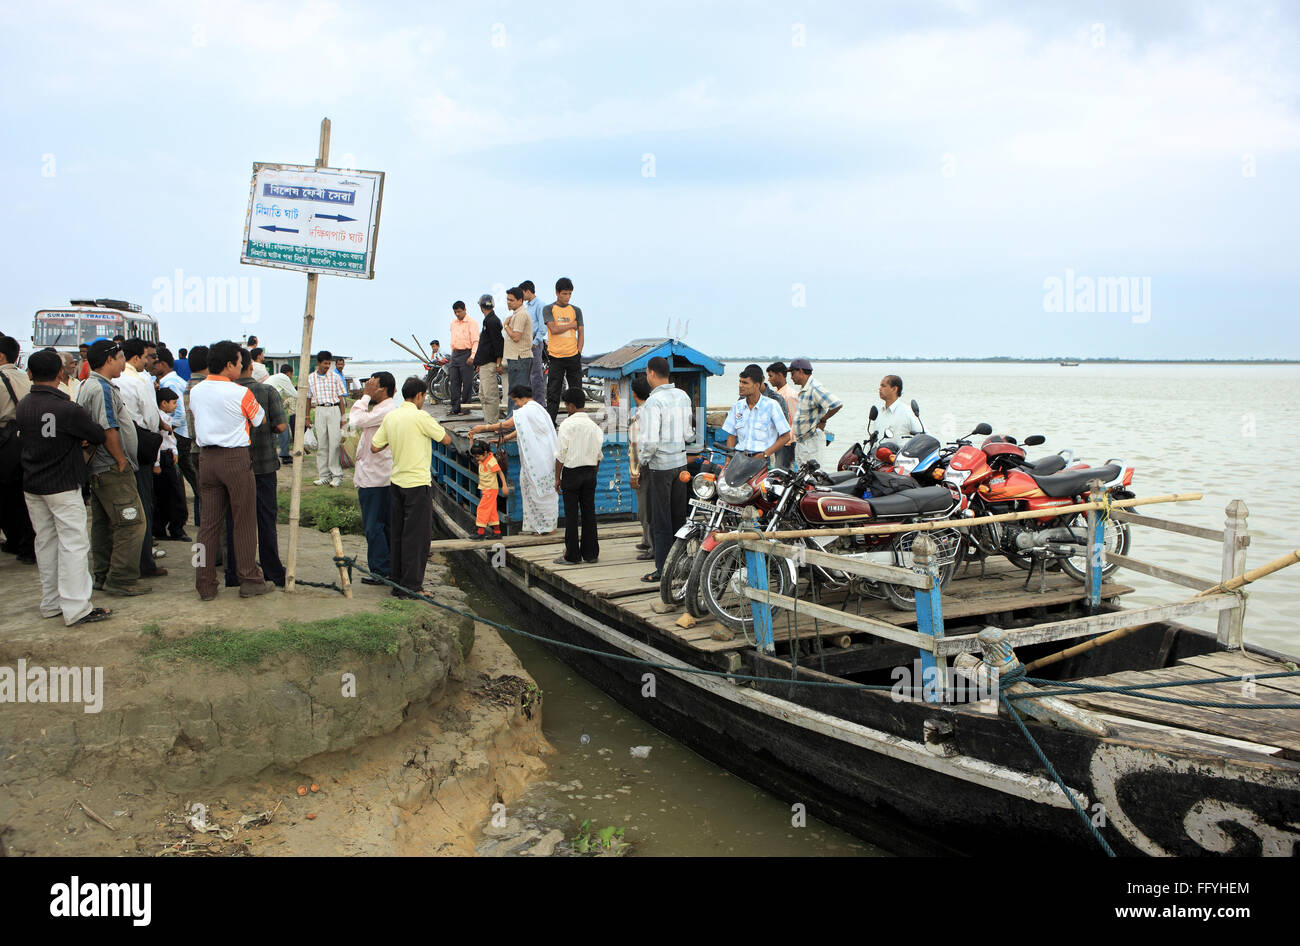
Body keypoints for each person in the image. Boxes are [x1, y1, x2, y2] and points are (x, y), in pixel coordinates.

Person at [18, 349, 111, 625]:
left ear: (30, 374)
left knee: (45, 543)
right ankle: (77, 607)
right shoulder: (67, 408)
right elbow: (96, 434)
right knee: (73, 545)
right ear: (61, 374)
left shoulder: (24, 404)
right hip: (63, 483)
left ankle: (51, 602)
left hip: (33, 483)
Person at [189, 340, 272, 600]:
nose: (241, 366)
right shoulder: (240, 393)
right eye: (239, 362)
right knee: (244, 520)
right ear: (229, 365)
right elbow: (259, 419)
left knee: (207, 525)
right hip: (235, 458)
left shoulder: (196, 390)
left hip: (206, 459)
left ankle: (204, 582)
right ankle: (249, 578)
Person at [77, 339, 150, 595]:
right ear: (110, 359)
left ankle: (102, 575)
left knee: (104, 524)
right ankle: (120, 579)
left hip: (99, 469)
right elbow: (109, 427)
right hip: (111, 468)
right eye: (120, 358)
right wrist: (121, 460)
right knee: (131, 522)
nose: (123, 362)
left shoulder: (87, 385)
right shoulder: (102, 388)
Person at [370, 377, 451, 598]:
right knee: (416, 538)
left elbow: (375, 446)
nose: (424, 400)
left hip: (396, 483)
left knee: (398, 534)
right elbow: (445, 440)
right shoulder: (421, 416)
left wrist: (394, 440)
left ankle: (398, 583)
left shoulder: (391, 416)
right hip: (417, 484)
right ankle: (412, 587)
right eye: (424, 396)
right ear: (418, 396)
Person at [223, 347, 286, 588]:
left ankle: (234, 572)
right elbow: (281, 426)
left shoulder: (226, 392)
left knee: (235, 520)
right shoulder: (266, 391)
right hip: (263, 465)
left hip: (234, 466)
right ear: (250, 366)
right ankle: (272, 570)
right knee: (266, 519)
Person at [468, 385, 557, 535]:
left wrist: (482, 428)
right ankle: (539, 527)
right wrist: (505, 439)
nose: (516, 404)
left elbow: (509, 424)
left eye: (515, 400)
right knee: (535, 491)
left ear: (521, 397)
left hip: (538, 458)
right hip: (543, 456)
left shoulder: (528, 409)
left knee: (539, 492)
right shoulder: (538, 408)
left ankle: (547, 528)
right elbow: (522, 428)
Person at [636, 356, 694, 582]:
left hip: (660, 467)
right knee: (679, 518)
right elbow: (689, 434)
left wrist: (642, 462)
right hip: (680, 465)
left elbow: (650, 442)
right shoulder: (683, 396)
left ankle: (663, 570)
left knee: (661, 521)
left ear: (651, 373)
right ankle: (680, 565)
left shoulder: (653, 402)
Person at [114, 338, 167, 580]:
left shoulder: (106, 381)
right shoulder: (139, 381)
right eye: (149, 357)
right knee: (143, 505)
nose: (151, 362)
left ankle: (121, 563)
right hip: (139, 447)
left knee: (119, 509)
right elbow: (151, 420)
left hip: (113, 449)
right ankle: (144, 562)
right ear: (135, 358)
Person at [349, 371, 398, 585]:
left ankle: (380, 570)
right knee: (383, 524)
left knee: (374, 525)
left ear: (383, 389)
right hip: (378, 475)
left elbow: (355, 420)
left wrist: (365, 396)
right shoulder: (382, 409)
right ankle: (387, 567)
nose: (368, 388)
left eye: (373, 385)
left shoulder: (386, 409)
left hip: (376, 477)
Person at [553, 387, 603, 565]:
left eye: (566, 405)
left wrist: (557, 478)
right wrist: (593, 474)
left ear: (572, 406)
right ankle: (591, 554)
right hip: (590, 472)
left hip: (572, 472)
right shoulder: (594, 427)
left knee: (572, 514)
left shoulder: (567, 424)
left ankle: (572, 555)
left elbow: (561, 455)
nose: (566, 408)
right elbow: (598, 456)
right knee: (589, 512)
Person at [0, 334, 36, 563]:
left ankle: (14, 541)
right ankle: (27, 546)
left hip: (4, 442)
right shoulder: (25, 378)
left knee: (5, 497)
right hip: (26, 440)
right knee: (24, 498)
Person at [154, 347, 191, 537]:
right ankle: (170, 527)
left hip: (174, 446)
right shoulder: (174, 381)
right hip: (164, 456)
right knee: (170, 491)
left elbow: (180, 416)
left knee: (173, 490)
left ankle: (173, 526)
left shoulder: (169, 384)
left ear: (162, 364)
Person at [722, 363, 792, 462]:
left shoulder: (772, 404)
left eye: (745, 383)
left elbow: (785, 436)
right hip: (739, 458)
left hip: (764, 459)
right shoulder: (737, 406)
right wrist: (728, 462)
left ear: (757, 385)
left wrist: (765, 454)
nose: (740, 386)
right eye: (740, 382)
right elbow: (732, 436)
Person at [789, 357, 843, 468]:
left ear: (800, 371)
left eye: (793, 373)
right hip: (802, 441)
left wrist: (824, 419)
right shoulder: (805, 390)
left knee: (813, 477)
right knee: (801, 479)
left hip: (811, 441)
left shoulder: (815, 388)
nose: (791, 377)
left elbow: (837, 404)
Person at [543, 277, 584, 423]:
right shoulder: (549, 309)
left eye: (569, 294)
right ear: (557, 293)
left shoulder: (576, 310)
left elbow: (581, 332)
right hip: (556, 357)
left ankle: (575, 421)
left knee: (576, 391)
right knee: (553, 392)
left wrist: (579, 351)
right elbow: (553, 329)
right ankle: (551, 423)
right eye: (564, 294)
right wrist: (571, 325)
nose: (567, 297)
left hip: (573, 356)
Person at [307, 349, 347, 487]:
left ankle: (337, 475)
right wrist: (307, 416)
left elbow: (341, 398)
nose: (327, 366)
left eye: (329, 363)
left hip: (334, 409)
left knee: (335, 443)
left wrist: (343, 417)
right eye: (325, 363)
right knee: (322, 444)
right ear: (318, 363)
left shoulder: (335, 377)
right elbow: (308, 398)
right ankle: (324, 475)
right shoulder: (310, 378)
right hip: (319, 409)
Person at [626, 376, 654, 560]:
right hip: (649, 464)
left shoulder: (639, 416)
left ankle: (652, 545)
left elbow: (636, 448)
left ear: (634, 394)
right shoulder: (647, 411)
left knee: (646, 509)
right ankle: (646, 539)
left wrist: (635, 473)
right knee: (645, 506)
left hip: (642, 466)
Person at [182, 344, 209, 526]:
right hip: (205, 448)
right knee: (210, 499)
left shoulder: (188, 386)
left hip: (194, 447)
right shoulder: (204, 387)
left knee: (202, 494)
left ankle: (201, 529)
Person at [501, 287, 533, 420]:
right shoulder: (516, 314)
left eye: (512, 300)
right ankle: (513, 421)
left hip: (520, 358)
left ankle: (512, 422)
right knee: (515, 392)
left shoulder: (521, 314)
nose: (509, 302)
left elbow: (516, 337)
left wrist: (506, 326)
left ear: (520, 300)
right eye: (507, 300)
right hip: (515, 358)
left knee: (517, 394)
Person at [473, 293, 504, 425]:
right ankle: (489, 421)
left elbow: (498, 343)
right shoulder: (489, 320)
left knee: (490, 395)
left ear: (481, 306)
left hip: (489, 363)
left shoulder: (492, 321)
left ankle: (492, 422)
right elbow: (486, 345)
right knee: (483, 394)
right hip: (485, 363)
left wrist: (498, 363)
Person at [469, 441, 507, 540]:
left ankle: (480, 532)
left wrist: (504, 486)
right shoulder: (483, 459)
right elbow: (473, 451)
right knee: (492, 512)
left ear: (485, 453)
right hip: (486, 489)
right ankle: (497, 532)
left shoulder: (491, 461)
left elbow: (500, 473)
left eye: (478, 456)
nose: (477, 459)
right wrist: (471, 440)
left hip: (490, 490)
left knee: (482, 509)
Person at [447, 301, 479, 415]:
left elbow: (476, 341)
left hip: (467, 353)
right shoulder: (453, 323)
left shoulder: (472, 322)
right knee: (454, 381)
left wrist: (473, 356)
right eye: (455, 312)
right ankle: (455, 407)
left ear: (465, 310)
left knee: (467, 382)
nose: (457, 314)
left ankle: (465, 408)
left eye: (459, 311)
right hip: (455, 354)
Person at [519, 280, 547, 405]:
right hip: (526, 342)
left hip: (534, 342)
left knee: (536, 375)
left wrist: (535, 342)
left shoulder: (540, 305)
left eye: (522, 293)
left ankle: (540, 404)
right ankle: (531, 403)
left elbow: (542, 328)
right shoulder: (528, 306)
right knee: (528, 376)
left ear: (527, 291)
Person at [266, 364, 298, 461]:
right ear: (289, 373)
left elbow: (285, 393)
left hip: (266, 402)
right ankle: (284, 454)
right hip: (271, 402)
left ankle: (272, 454)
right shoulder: (284, 377)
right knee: (283, 427)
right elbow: (294, 394)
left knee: (271, 430)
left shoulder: (275, 377)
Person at [875, 374, 922, 441]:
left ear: (894, 389)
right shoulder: (879, 413)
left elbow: (924, 436)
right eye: (880, 386)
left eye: (883, 386)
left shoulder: (907, 412)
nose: (880, 389)